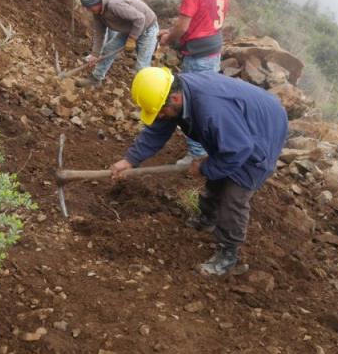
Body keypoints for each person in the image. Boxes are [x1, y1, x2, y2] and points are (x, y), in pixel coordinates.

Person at [110, 67, 288, 275]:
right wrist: (130, 160)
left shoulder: (211, 110)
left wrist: (204, 167)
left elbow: (239, 149)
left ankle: (228, 255)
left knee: (235, 192)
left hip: (263, 130)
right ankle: (208, 218)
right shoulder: (173, 93)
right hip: (237, 128)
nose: (159, 116)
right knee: (218, 172)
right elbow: (158, 127)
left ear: (175, 99)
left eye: (160, 111)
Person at [158, 0, 229, 166]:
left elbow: (183, 26)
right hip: (214, 49)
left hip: (198, 54)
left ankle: (197, 152)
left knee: (192, 102)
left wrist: (169, 37)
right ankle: (208, 145)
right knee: (206, 98)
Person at [75, 0, 159, 88]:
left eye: (89, 7)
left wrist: (132, 39)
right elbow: (99, 34)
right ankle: (96, 79)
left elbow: (140, 19)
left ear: (97, 2)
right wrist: (95, 54)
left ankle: (146, 92)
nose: (88, 10)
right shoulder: (97, 13)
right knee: (108, 49)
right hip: (130, 28)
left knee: (142, 66)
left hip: (147, 28)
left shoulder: (114, 5)